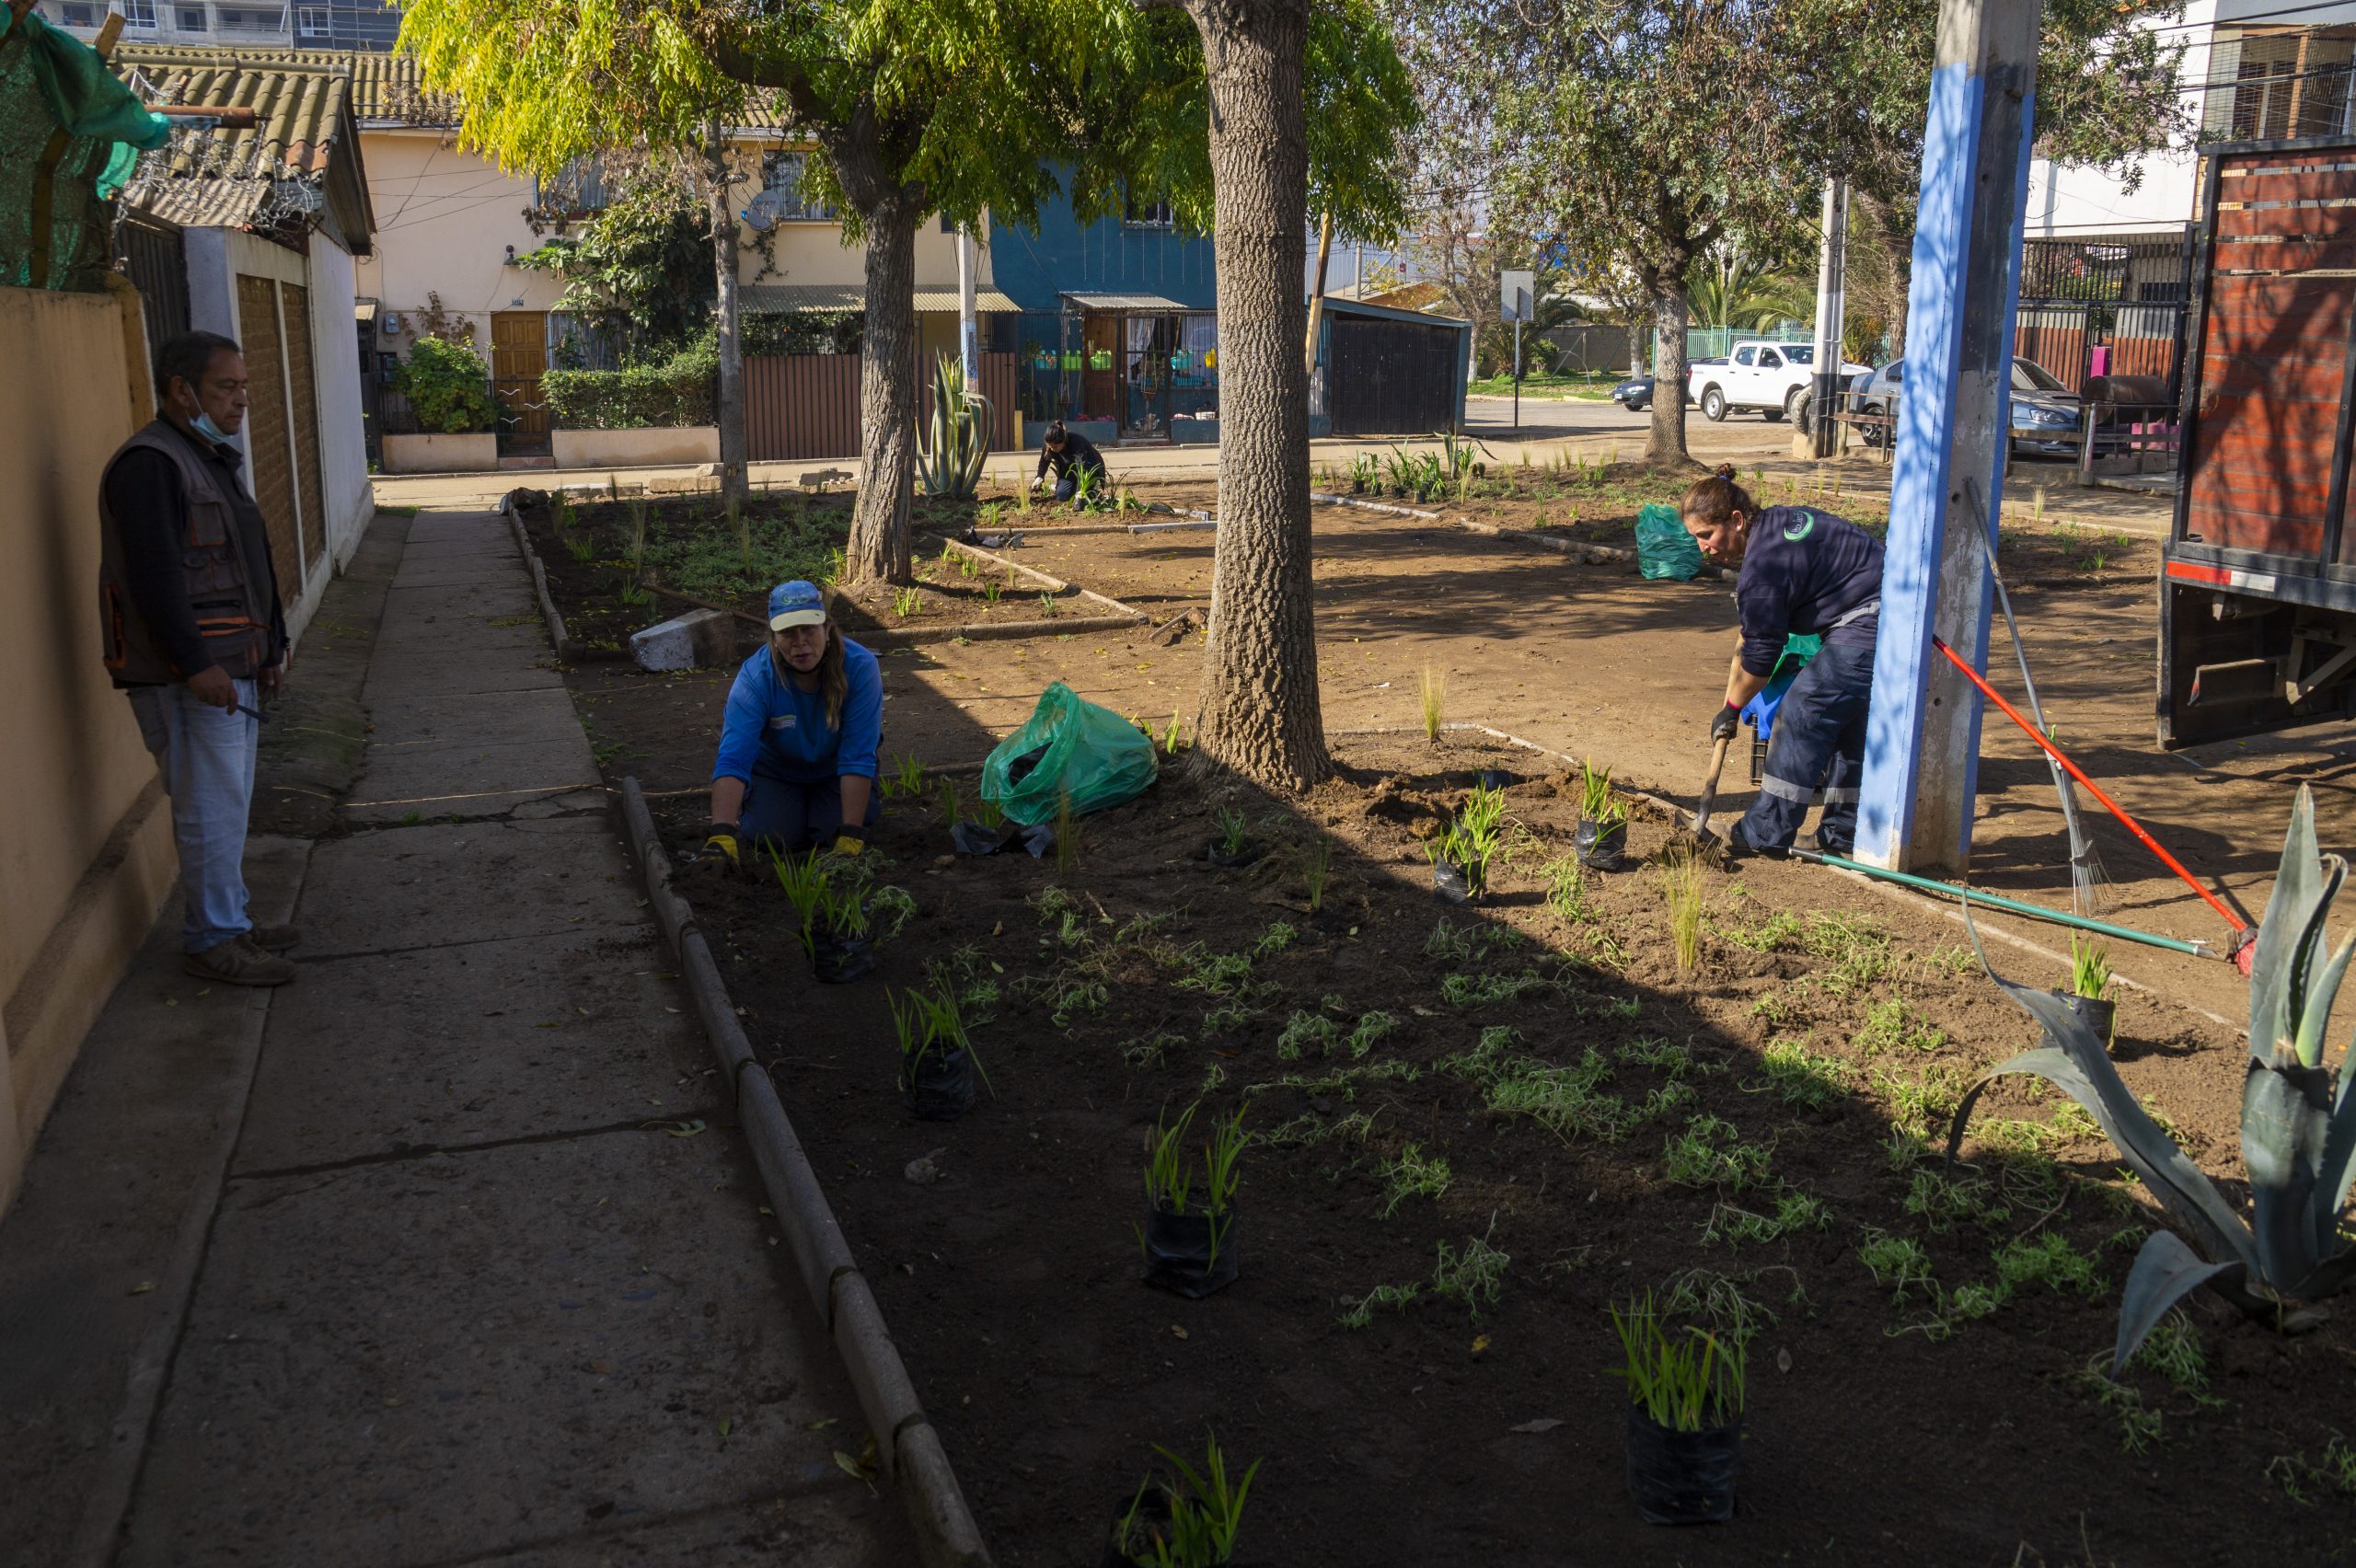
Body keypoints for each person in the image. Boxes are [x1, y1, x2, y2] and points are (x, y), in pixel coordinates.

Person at [98, 329, 295, 986]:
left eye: (243, 386)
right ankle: (213, 939)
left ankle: (230, 920)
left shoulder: (208, 457)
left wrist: (271, 644)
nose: (241, 399)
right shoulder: (150, 465)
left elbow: (248, 560)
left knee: (227, 806)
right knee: (208, 809)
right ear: (182, 390)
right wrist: (194, 664)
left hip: (233, 665)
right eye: (225, 387)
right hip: (191, 678)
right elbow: (153, 580)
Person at [1683, 463, 1884, 859]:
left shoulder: (1763, 567)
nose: (1702, 547)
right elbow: (1759, 632)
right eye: (1696, 538)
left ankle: (1764, 833)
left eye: (1706, 535)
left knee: (1803, 710)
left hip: (1871, 619)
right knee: (1846, 723)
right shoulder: (1775, 525)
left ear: (1737, 520)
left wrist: (1732, 708)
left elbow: (1761, 657)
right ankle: (1843, 835)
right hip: (1882, 611)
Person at [702, 580, 884, 868]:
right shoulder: (756, 676)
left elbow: (858, 753)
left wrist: (851, 833)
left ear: (827, 629)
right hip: (777, 772)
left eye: (809, 628)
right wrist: (722, 832)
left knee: (832, 832)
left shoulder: (860, 667)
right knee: (771, 837)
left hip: (835, 770)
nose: (800, 642)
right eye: (787, 632)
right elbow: (734, 756)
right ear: (774, 638)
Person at [1032, 419, 1107, 502]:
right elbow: (1044, 461)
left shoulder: (1076, 442)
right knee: (1062, 497)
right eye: (1050, 446)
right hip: (1069, 471)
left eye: (1055, 447)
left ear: (1063, 441)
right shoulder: (1049, 444)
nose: (1052, 449)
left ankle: (1094, 492)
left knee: (1084, 499)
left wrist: (1080, 491)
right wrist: (1039, 477)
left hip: (1088, 469)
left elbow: (1082, 467)